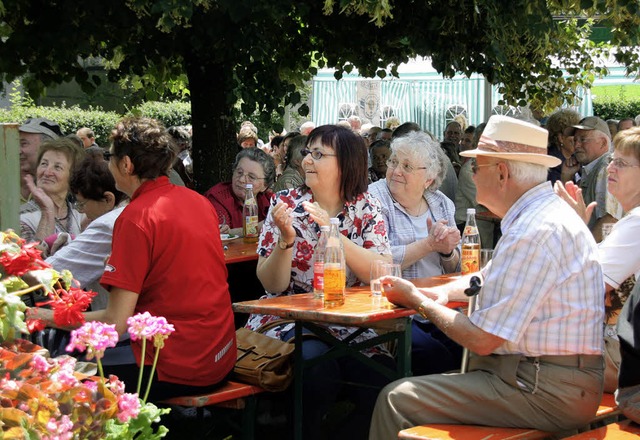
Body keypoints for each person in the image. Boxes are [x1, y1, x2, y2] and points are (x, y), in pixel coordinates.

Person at [369, 115, 604, 439]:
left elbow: (482, 339)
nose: (471, 177)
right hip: (552, 381)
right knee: (440, 366)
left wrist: (418, 300)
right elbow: (484, 278)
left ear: (503, 173)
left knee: (396, 399)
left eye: (476, 168)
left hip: (541, 387)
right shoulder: (545, 216)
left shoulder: (533, 231)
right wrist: (443, 294)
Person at [29, 117, 236, 402]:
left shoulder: (135, 218)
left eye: (110, 157)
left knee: (55, 363)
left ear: (126, 165)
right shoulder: (197, 200)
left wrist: (44, 317)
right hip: (221, 355)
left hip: (178, 364)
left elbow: (115, 322)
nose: (106, 162)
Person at [250, 125, 392, 440]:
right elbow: (272, 284)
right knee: (317, 371)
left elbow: (381, 271)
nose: (307, 161)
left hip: (347, 322)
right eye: (307, 153)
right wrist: (286, 241)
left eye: (318, 154)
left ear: (346, 163)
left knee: (383, 380)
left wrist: (333, 230)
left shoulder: (366, 207)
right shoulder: (286, 202)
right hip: (288, 318)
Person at [368, 131, 462, 375]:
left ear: (428, 179)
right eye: (394, 162)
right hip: (395, 311)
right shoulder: (374, 198)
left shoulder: (441, 204)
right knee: (433, 355)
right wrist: (428, 245)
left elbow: (457, 267)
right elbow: (378, 259)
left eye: (407, 166)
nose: (396, 170)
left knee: (467, 348)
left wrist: (447, 252)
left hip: (440, 304)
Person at [555, 126, 640, 393]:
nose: (610, 169)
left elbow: (582, 286)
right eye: (612, 160)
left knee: (532, 362)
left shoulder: (636, 224)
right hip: (627, 356)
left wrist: (573, 228)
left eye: (622, 163)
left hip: (631, 373)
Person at [20, 137, 86, 250]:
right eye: (44, 164)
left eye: (57, 167)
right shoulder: (21, 217)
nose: (47, 172)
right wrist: (47, 212)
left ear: (73, 176)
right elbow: (32, 261)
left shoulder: (82, 216)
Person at [564, 116, 615, 238]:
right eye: (575, 140)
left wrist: (589, 251)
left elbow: (610, 219)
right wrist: (566, 175)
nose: (576, 145)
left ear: (603, 142)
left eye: (583, 139)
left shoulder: (606, 168)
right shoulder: (591, 168)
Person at [204, 147, 275, 235]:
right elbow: (222, 234)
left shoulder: (270, 200)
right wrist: (258, 228)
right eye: (239, 172)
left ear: (265, 186)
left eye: (251, 177)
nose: (241, 179)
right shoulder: (217, 197)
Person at [19, 117, 64, 203]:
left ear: (46, 148)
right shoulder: (5, 182)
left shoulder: (67, 192)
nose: (17, 150)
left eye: (23, 144)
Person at [545, 109, 581, 185]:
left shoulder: (575, 158)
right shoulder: (551, 164)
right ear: (561, 138)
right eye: (573, 134)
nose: (578, 139)